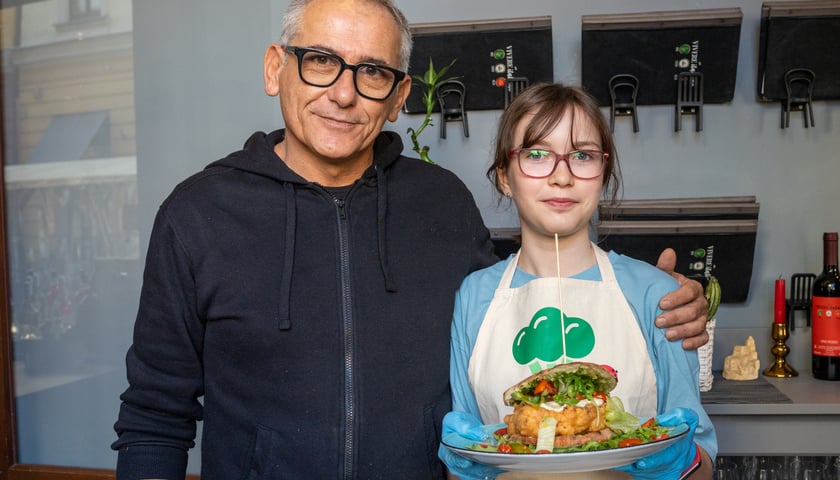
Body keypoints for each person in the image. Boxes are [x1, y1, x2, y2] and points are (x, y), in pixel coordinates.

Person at [111, 1, 710, 479]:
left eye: (372, 71)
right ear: (276, 68)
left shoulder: (442, 204)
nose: (344, 93)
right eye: (320, 60)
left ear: (399, 97)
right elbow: (154, 418)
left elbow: (517, 299)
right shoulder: (197, 216)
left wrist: (666, 301)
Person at [439, 83, 716, 480]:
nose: (562, 176)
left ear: (602, 174)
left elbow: (703, 465)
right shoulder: (474, 296)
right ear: (504, 175)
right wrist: (463, 469)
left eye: (582, 156)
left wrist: (681, 461)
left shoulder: (658, 295)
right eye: (536, 154)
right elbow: (465, 452)